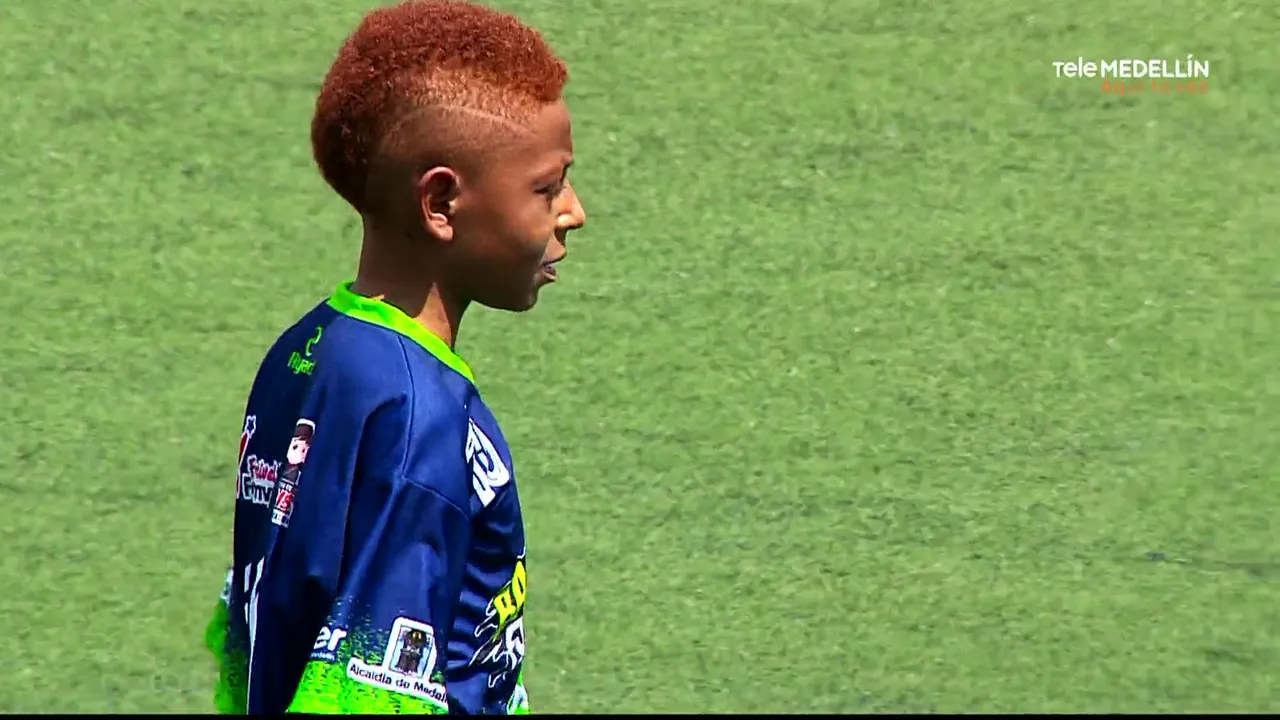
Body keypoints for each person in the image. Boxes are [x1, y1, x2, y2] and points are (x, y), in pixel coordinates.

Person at [202, 0, 586, 713]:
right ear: (440, 204)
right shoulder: (421, 417)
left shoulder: (302, 354)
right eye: (548, 187)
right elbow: (377, 690)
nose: (573, 211)